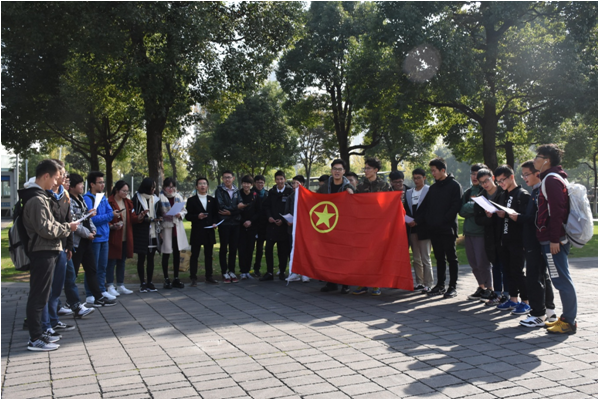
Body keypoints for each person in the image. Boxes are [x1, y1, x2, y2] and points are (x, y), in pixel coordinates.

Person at [20, 159, 78, 351]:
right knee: (39, 296)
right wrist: (67, 228)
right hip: (42, 251)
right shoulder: (37, 199)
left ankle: (40, 333)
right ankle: (35, 338)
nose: (56, 182)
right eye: (55, 178)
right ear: (46, 176)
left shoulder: (40, 196)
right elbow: (45, 228)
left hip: (46, 249)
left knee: (43, 295)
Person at [534, 144, 577, 334]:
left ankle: (568, 321)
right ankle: (566, 318)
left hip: (554, 240)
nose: (534, 160)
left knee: (561, 280)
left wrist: (553, 239)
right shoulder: (552, 177)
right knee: (559, 278)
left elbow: (557, 211)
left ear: (547, 161)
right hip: (553, 238)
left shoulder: (551, 180)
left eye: (538, 156)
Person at [517, 160, 557, 327]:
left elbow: (537, 218)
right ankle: (549, 311)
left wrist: (518, 217)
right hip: (535, 240)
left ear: (537, 174)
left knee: (534, 277)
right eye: (523, 175)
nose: (525, 178)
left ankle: (538, 314)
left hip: (537, 240)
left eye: (527, 174)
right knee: (541, 275)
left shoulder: (541, 191)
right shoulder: (535, 191)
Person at [69, 174, 116, 308]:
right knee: (73, 272)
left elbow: (88, 218)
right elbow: (75, 223)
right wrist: (88, 233)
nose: (81, 186)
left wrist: (93, 230)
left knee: (93, 269)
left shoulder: (81, 199)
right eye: (79, 184)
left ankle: (98, 296)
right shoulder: (72, 200)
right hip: (78, 241)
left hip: (90, 239)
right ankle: (72, 302)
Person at [419, 158, 463, 298]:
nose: (432, 173)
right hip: (434, 229)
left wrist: (443, 220)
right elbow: (426, 207)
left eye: (434, 171)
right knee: (439, 258)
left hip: (448, 229)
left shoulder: (455, 186)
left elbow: (455, 206)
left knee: (451, 258)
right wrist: (427, 221)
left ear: (443, 170)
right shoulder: (433, 188)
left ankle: (452, 287)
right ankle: (440, 285)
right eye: (431, 171)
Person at [40, 161, 76, 335]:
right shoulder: (43, 195)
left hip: (61, 246)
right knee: (45, 290)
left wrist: (69, 245)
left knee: (56, 288)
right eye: (60, 174)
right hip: (47, 248)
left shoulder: (64, 195)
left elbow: (68, 219)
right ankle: (44, 324)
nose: (63, 177)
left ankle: (53, 320)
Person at [494, 165, 531, 314]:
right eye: (498, 181)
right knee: (507, 271)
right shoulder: (502, 195)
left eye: (503, 180)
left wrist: (515, 217)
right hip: (505, 239)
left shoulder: (523, 195)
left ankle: (526, 301)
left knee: (517, 271)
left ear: (511, 177)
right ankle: (513, 299)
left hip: (518, 240)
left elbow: (528, 218)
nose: (501, 183)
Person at [352, 158, 391, 296]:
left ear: (376, 170)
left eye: (368, 168)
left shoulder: (385, 186)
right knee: (363, 255)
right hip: (364, 228)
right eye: (365, 168)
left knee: (377, 255)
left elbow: (391, 205)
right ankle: (362, 283)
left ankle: (376, 284)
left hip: (380, 228)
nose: (366, 170)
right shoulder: (360, 187)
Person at [317, 159, 355, 294]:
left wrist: (351, 194)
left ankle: (345, 283)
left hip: (344, 227)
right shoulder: (324, 187)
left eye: (339, 169)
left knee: (344, 255)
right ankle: (331, 282)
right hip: (329, 227)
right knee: (329, 254)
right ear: (331, 170)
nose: (337, 171)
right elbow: (314, 200)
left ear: (344, 171)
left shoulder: (348, 187)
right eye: (334, 169)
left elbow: (356, 204)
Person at [473, 169, 509, 306]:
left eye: (487, 180)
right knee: (495, 265)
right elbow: (478, 219)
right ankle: (497, 293)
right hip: (490, 236)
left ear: (493, 178)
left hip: (504, 234)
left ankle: (507, 294)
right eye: (482, 182)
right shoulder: (480, 197)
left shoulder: (503, 192)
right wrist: (488, 217)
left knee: (505, 266)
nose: (485, 184)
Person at [83, 171, 119, 302]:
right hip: (95, 237)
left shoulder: (102, 197)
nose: (103, 184)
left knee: (103, 266)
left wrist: (109, 215)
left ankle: (101, 290)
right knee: (92, 267)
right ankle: (90, 293)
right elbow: (92, 219)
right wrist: (110, 216)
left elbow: (110, 212)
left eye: (103, 182)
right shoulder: (88, 199)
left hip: (105, 236)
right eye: (100, 182)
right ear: (92, 184)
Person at [459, 163, 493, 302]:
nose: (474, 177)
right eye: (472, 174)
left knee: (482, 263)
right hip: (468, 232)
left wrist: (472, 207)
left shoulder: (485, 190)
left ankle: (490, 289)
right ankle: (481, 287)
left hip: (481, 233)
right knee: (473, 264)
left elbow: (486, 209)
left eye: (477, 174)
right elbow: (461, 211)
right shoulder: (468, 192)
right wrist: (474, 206)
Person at [260, 170, 293, 281]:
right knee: (268, 249)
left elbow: (291, 209)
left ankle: (282, 272)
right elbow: (266, 206)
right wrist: (269, 216)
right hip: (272, 226)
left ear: (285, 179)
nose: (279, 181)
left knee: (282, 251)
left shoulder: (289, 192)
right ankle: (269, 272)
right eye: (277, 179)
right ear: (275, 180)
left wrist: (283, 220)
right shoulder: (272, 192)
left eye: (281, 179)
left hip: (284, 227)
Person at [185, 177, 219, 286]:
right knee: (194, 255)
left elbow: (215, 214)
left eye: (204, 184)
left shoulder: (212, 200)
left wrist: (214, 223)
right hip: (197, 231)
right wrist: (197, 216)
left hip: (209, 231)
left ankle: (209, 276)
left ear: (207, 186)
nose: (202, 186)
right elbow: (187, 216)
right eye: (200, 184)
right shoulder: (191, 200)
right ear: (196, 187)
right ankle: (193, 278)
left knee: (208, 255)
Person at [405, 168, 433, 293]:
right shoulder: (409, 192)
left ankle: (429, 283)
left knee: (425, 257)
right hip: (412, 228)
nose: (416, 180)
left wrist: (417, 221)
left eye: (419, 178)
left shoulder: (429, 191)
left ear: (424, 178)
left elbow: (429, 210)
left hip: (424, 229)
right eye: (414, 178)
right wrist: (409, 221)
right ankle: (419, 282)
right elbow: (406, 209)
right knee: (416, 258)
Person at [132, 178, 163, 293]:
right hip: (141, 232)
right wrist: (146, 219)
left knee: (151, 258)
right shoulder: (136, 198)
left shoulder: (156, 199)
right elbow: (134, 216)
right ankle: (142, 283)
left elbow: (159, 213)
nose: (153, 190)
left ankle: (150, 282)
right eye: (151, 187)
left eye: (154, 187)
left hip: (154, 232)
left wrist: (159, 218)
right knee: (141, 258)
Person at [106, 180, 135, 296]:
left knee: (122, 261)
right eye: (124, 191)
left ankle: (120, 285)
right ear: (117, 190)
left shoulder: (128, 202)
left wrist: (140, 217)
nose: (126, 193)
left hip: (125, 236)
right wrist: (112, 226)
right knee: (111, 261)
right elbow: (106, 218)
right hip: (114, 236)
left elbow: (132, 217)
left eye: (127, 191)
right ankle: (109, 285)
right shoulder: (109, 202)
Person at [159, 177, 187, 289]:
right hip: (166, 228)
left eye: (172, 186)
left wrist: (180, 214)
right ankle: (166, 279)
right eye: (168, 187)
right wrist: (165, 216)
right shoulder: (160, 198)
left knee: (177, 253)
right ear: (164, 187)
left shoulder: (178, 197)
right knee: (166, 253)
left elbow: (184, 210)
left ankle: (176, 278)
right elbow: (158, 213)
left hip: (177, 227)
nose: (170, 189)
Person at [215, 170, 242, 283]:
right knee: (223, 248)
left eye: (229, 177)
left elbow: (241, 206)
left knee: (233, 248)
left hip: (235, 223)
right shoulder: (219, 190)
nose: (227, 179)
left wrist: (231, 212)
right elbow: (221, 206)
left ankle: (232, 271)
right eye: (225, 177)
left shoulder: (237, 191)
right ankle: (224, 272)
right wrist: (235, 209)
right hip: (224, 223)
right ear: (222, 179)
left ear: (233, 178)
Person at [285, 175, 310, 283]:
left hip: (304, 230)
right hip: (292, 229)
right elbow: (287, 211)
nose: (293, 185)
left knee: (305, 250)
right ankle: (294, 272)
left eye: (296, 183)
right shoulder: (290, 197)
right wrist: (288, 220)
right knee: (293, 249)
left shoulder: (308, 196)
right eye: (293, 183)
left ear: (302, 184)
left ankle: (305, 273)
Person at [238, 175, 259, 279]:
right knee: (241, 249)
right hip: (240, 226)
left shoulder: (255, 195)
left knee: (250, 249)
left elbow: (258, 211)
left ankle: (247, 271)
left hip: (252, 226)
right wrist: (243, 221)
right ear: (242, 184)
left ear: (251, 184)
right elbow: (236, 210)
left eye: (248, 183)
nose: (246, 185)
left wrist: (251, 221)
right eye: (244, 183)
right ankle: (242, 271)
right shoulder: (238, 194)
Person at [251, 175, 268, 277]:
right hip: (252, 224)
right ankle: (246, 269)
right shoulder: (251, 193)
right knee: (250, 248)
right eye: (258, 182)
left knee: (260, 248)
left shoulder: (267, 194)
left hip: (263, 225)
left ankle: (257, 268)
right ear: (254, 183)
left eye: (261, 182)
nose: (260, 184)